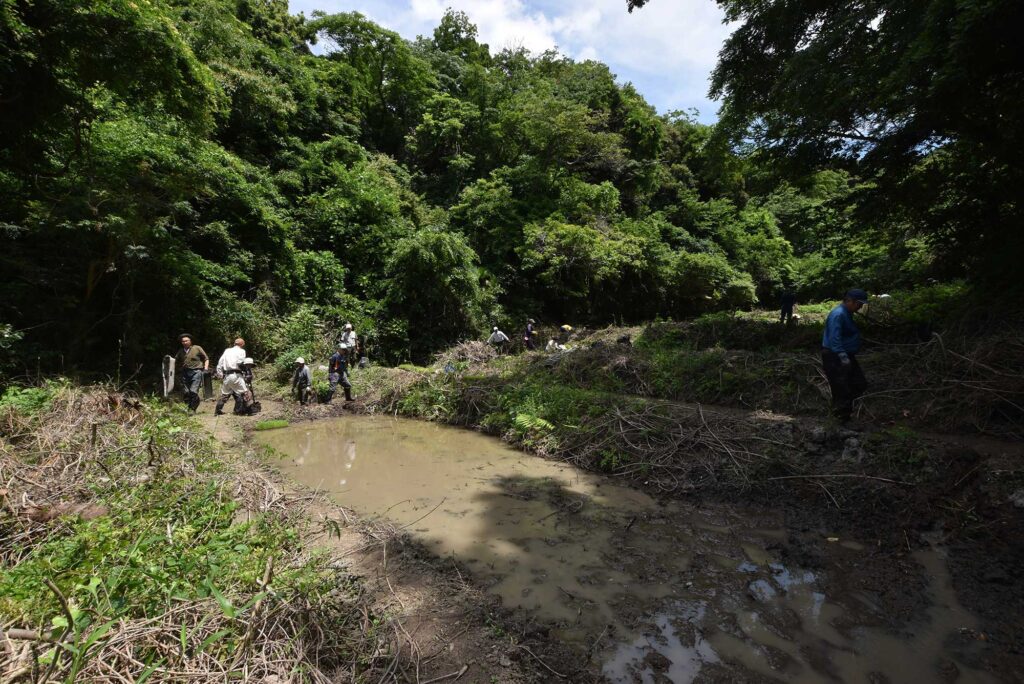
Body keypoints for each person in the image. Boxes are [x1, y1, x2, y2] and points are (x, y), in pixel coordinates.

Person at [822, 289, 869, 422]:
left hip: (845, 355)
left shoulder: (847, 313)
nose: (860, 307)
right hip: (835, 357)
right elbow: (834, 338)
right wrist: (842, 356)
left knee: (859, 384)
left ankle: (841, 413)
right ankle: (840, 420)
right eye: (858, 303)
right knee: (841, 387)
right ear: (849, 301)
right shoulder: (838, 314)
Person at [174, 334, 208, 412]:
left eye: (186, 341)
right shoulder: (180, 351)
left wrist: (205, 369)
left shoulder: (197, 348)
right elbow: (175, 360)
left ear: (190, 341)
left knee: (193, 391)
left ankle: (193, 409)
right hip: (185, 373)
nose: (185, 342)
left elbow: (206, 358)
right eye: (183, 341)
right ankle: (188, 407)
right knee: (186, 392)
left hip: (196, 372)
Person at [214, 338, 249, 416]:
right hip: (236, 374)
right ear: (242, 344)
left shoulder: (227, 350)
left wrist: (220, 374)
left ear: (234, 343)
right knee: (244, 393)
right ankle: (241, 411)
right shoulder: (242, 351)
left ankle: (217, 411)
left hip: (227, 375)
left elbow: (220, 363)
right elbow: (240, 362)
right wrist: (246, 372)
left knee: (225, 394)